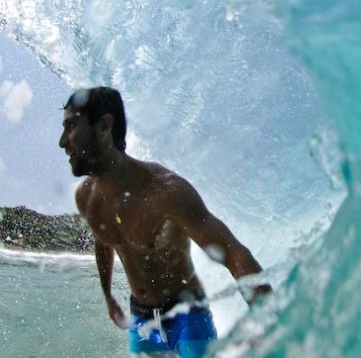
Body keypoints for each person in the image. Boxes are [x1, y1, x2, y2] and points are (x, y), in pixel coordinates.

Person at [58, 87, 271, 357]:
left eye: (71, 126)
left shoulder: (166, 193)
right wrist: (108, 296)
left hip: (188, 317)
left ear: (103, 127)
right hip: (142, 321)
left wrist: (271, 319)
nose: (63, 141)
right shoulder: (87, 198)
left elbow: (233, 253)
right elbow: (103, 241)